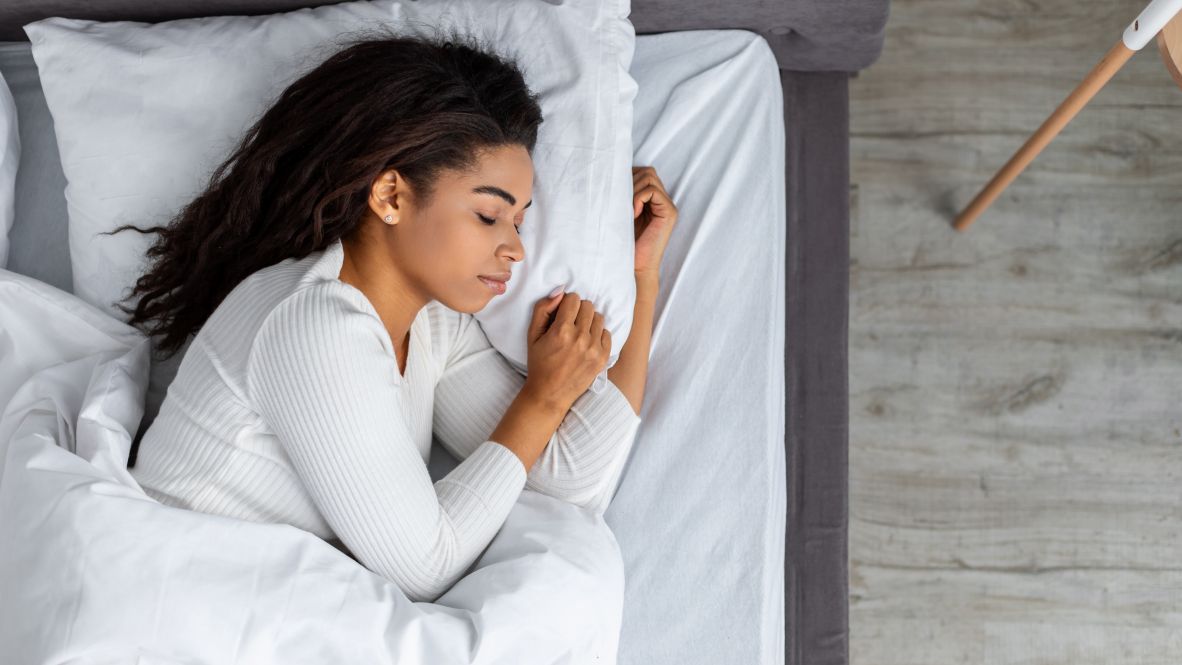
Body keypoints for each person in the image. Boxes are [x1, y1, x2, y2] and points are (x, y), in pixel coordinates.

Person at [114, 30, 678, 606]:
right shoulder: (311, 323)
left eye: (519, 221)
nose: (516, 249)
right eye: (489, 216)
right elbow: (424, 566)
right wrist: (543, 399)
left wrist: (641, 275)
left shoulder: (431, 323)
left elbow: (572, 473)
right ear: (390, 196)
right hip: (168, 606)